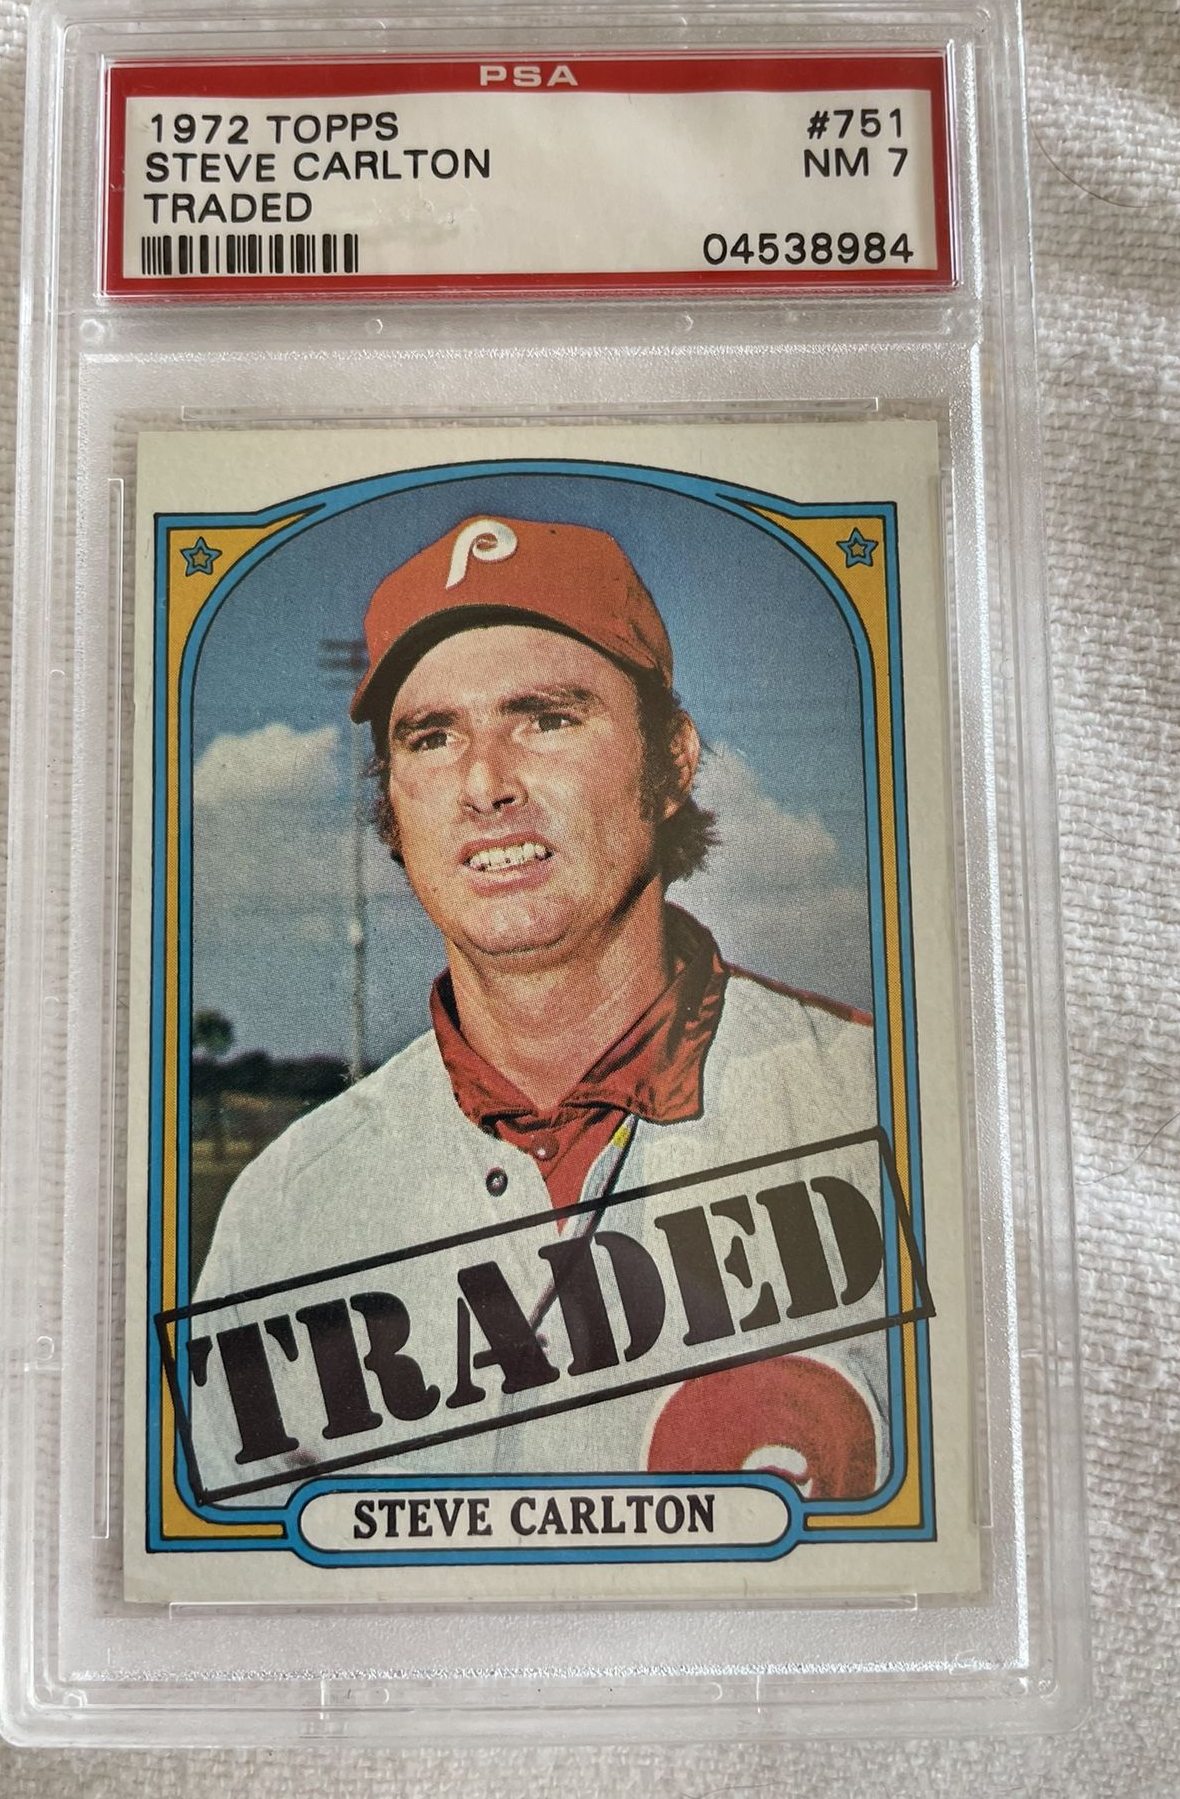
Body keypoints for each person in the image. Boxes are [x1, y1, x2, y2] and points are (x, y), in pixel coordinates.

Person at [191, 515, 886, 1499]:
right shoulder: (285, 1209)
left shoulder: (882, 1110)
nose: (484, 783)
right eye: (432, 737)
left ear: (672, 759)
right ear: (392, 803)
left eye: (546, 719)